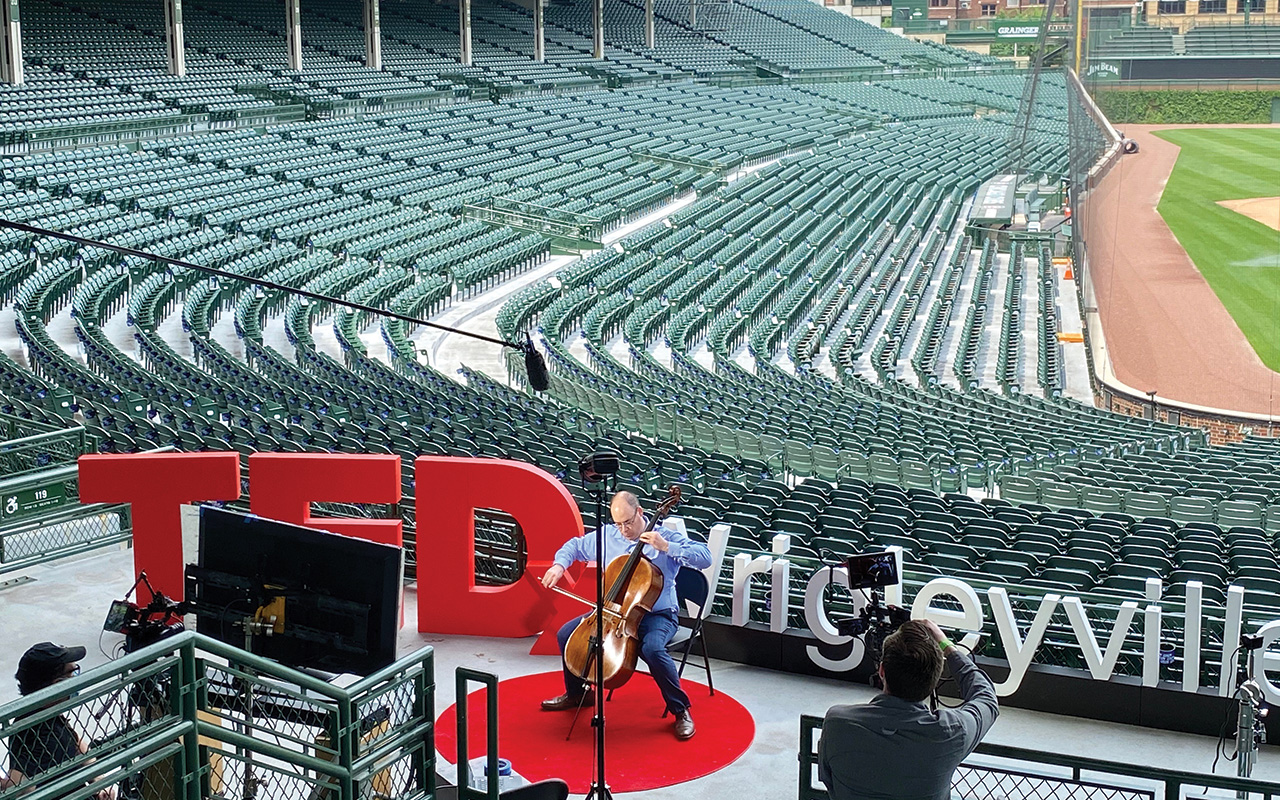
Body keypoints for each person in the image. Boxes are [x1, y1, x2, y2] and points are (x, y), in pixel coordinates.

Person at [540, 490, 712, 740]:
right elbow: (575, 546)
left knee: (652, 649)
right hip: (614, 610)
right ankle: (578, 694)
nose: (623, 530)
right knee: (567, 634)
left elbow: (705, 557)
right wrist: (559, 565)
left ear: (640, 512)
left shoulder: (664, 536)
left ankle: (681, 710)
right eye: (618, 523)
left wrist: (666, 547)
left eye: (628, 522)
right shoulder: (609, 536)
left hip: (658, 613)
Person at [818, 619, 998, 800]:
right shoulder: (952, 732)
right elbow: (986, 698)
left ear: (882, 671)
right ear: (935, 679)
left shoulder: (837, 723)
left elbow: (830, 782)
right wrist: (946, 646)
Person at [6, 642, 114, 799]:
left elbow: (77, 743)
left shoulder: (44, 714)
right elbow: (19, 786)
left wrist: (98, 780)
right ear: (56, 686)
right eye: (71, 675)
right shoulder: (40, 733)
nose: (76, 680)